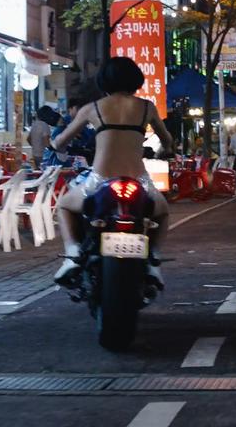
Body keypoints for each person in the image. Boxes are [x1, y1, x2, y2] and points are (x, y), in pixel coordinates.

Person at [52, 57, 173, 289]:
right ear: (136, 80)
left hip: (99, 182)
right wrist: (167, 150)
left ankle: (72, 254)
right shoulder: (147, 107)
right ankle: (154, 262)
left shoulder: (93, 108)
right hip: (140, 182)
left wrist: (56, 144)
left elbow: (62, 139)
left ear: (103, 80)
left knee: (65, 206)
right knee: (163, 212)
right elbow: (167, 140)